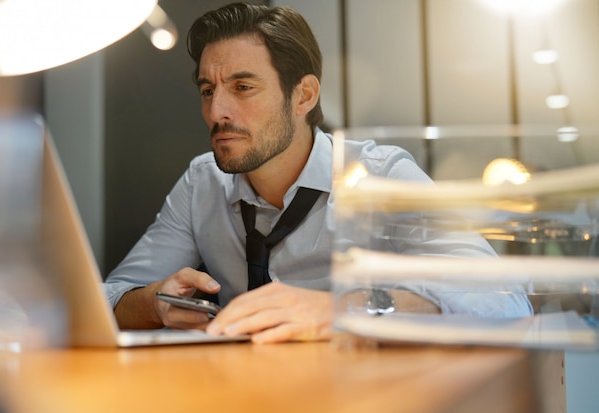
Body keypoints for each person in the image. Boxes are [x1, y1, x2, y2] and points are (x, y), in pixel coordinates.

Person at [104, 2, 532, 344]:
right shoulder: (202, 183)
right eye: (207, 90)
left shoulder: (380, 176)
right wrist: (152, 304)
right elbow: (104, 299)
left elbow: (501, 298)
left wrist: (343, 309)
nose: (217, 112)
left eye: (243, 88)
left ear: (303, 95)